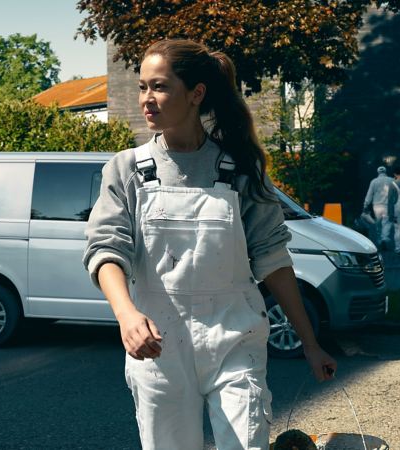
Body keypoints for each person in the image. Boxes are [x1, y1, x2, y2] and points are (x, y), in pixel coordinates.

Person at [83, 39, 336, 450]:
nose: (147, 99)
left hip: (236, 343)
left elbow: (273, 258)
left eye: (160, 87)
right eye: (143, 87)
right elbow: (106, 250)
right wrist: (126, 314)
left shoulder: (241, 170)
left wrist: (310, 343)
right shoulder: (127, 169)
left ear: (196, 93)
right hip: (159, 350)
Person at [362, 166, 397, 252]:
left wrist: (365, 205)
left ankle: (379, 240)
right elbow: (396, 193)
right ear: (386, 172)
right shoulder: (392, 180)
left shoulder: (374, 181)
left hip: (377, 206)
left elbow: (369, 194)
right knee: (387, 222)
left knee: (378, 224)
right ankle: (385, 238)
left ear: (378, 172)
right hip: (388, 205)